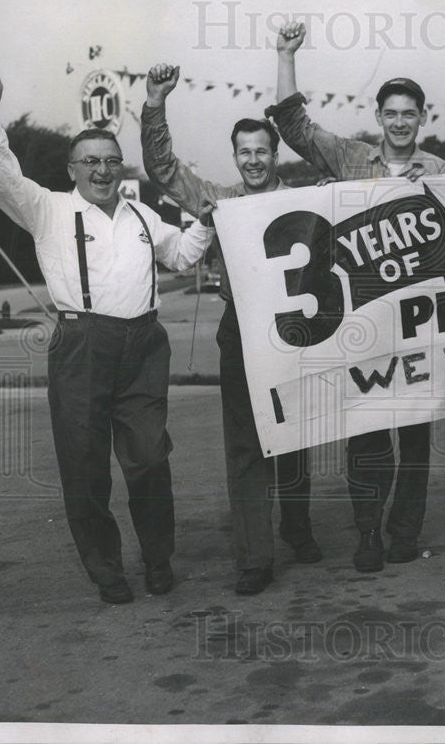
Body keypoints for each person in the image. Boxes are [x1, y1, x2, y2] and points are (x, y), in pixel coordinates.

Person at [0, 48, 216, 604]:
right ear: (73, 170)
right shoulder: (47, 209)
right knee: (85, 469)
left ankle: (157, 559)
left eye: (111, 161)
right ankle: (106, 571)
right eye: (91, 162)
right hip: (82, 346)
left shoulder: (144, 215)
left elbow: (181, 255)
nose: (102, 170)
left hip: (145, 345)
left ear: (122, 167)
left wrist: (208, 218)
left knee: (149, 458)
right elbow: (3, 180)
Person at [266, 21, 445, 572]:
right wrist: (285, 55)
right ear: (379, 118)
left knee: (415, 436)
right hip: (364, 322)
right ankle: (368, 531)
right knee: (367, 431)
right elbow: (295, 127)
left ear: (423, 118)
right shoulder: (349, 159)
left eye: (409, 113)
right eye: (390, 113)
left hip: (420, 323)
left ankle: (404, 532)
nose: (399, 122)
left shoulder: (440, 171)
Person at [140, 62, 322, 597]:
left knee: (295, 432)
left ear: (276, 154)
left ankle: (297, 526)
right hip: (240, 329)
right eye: (244, 151)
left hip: (294, 328)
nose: (253, 160)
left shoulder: (303, 199)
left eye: (262, 150)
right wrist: (155, 105)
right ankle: (254, 557)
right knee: (247, 444)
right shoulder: (220, 200)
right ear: (235, 156)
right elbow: (164, 170)